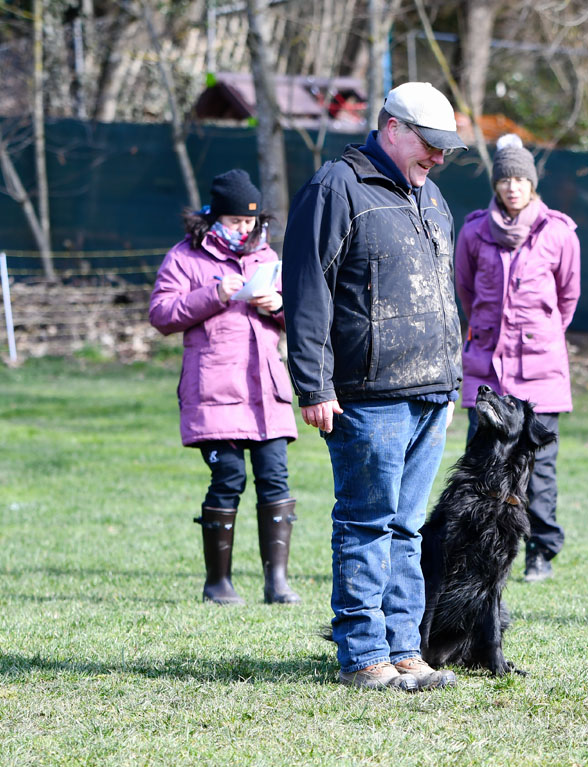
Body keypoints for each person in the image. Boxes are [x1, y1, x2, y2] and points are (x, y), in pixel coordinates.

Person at [283, 82, 467, 692]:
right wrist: (313, 385)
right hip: (367, 394)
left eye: (445, 149)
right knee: (366, 523)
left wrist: (452, 381)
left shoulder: (432, 196)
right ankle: (363, 656)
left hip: (431, 393)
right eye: (430, 145)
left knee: (408, 528)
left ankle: (405, 650)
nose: (438, 158)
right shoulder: (337, 186)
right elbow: (308, 291)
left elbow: (443, 294)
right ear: (393, 128)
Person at [149, 169, 301, 607]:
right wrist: (213, 294)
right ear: (215, 217)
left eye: (251, 221)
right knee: (229, 477)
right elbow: (161, 314)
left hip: (265, 393)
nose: (246, 229)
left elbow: (301, 319)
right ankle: (218, 584)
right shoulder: (185, 257)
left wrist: (279, 306)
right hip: (213, 392)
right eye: (236, 221)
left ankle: (278, 583)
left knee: (275, 478)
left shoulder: (267, 256)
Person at [454, 134, 581, 583]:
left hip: (541, 371)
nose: (512, 187)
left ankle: (540, 552)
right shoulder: (473, 232)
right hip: (488, 372)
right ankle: (479, 549)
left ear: (532, 184)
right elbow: (466, 292)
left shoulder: (558, 232)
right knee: (482, 463)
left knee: (540, 468)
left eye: (520, 179)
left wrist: (540, 337)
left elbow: (567, 298)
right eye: (504, 179)